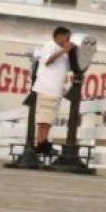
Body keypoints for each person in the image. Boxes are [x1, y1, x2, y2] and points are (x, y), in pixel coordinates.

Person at [30, 26, 75, 154]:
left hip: (55, 90)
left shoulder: (62, 52)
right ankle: (40, 142)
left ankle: (44, 141)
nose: (68, 40)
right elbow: (47, 60)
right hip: (46, 88)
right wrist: (63, 51)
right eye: (67, 37)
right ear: (59, 36)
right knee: (44, 118)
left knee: (49, 119)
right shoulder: (50, 45)